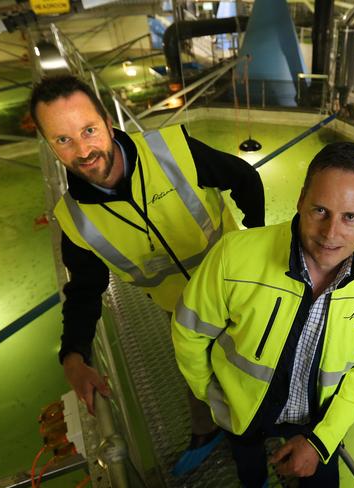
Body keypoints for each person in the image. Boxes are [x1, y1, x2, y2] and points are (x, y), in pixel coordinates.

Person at [29, 74, 265, 475]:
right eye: (63, 139)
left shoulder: (171, 152)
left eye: (88, 130)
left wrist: (257, 246)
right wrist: (74, 354)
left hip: (239, 289)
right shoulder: (75, 218)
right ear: (48, 144)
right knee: (196, 371)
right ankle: (208, 431)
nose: (83, 150)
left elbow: (245, 179)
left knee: (257, 364)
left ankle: (262, 437)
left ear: (107, 120)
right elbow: (86, 289)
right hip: (180, 310)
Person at [172, 142, 354, 486]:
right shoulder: (233, 257)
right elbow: (189, 334)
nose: (331, 233)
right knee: (251, 474)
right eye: (320, 211)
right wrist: (213, 398)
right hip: (241, 411)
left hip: (318, 420)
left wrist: (322, 440)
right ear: (300, 201)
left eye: (350, 217)